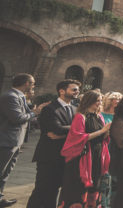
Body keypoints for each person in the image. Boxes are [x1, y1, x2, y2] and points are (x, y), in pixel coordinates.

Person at [27, 79, 80, 208]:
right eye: (73, 89)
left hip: (64, 156)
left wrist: (70, 131)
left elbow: (60, 132)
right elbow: (54, 130)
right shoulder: (50, 109)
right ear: (62, 91)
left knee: (55, 190)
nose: (77, 92)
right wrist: (76, 128)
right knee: (43, 190)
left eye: (77, 90)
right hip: (49, 156)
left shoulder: (74, 109)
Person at [59, 90, 111, 207]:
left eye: (101, 100)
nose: (100, 103)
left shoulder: (99, 116)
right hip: (83, 157)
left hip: (96, 155)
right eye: (97, 101)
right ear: (89, 101)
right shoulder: (80, 117)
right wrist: (102, 131)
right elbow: (79, 137)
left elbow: (102, 137)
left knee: (94, 186)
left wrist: (107, 132)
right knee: (78, 187)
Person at [0, 74, 46, 207]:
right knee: (1, 170)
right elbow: (17, 118)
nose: (33, 86)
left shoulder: (19, 96)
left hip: (15, 141)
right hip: (6, 141)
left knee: (6, 171)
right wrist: (35, 112)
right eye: (32, 83)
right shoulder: (10, 97)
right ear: (26, 83)